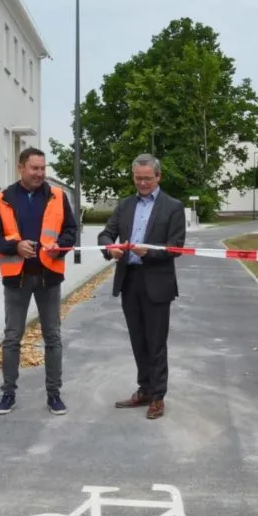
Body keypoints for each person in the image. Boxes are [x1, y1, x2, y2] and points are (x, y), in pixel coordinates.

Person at [0, 146, 78, 416]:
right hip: (17, 278)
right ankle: (8, 394)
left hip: (49, 276)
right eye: (34, 168)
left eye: (42, 168)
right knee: (13, 337)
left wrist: (58, 244)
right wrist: (15, 247)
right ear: (21, 168)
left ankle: (54, 395)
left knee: (53, 336)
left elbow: (71, 231)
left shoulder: (58, 196)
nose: (40, 173)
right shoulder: (4, 198)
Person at [97, 154, 186, 420]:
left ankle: (158, 396)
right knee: (138, 341)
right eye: (138, 178)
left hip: (157, 282)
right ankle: (144, 389)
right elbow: (105, 234)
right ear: (133, 176)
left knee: (156, 342)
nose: (143, 183)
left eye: (148, 178)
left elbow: (176, 246)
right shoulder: (124, 206)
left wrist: (150, 252)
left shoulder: (173, 206)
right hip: (129, 280)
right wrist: (109, 248)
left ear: (158, 177)